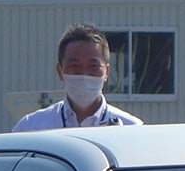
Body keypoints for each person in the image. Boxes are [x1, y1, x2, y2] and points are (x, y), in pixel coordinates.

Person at [14, 25, 143, 131]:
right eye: (74, 65)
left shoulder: (131, 129)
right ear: (60, 71)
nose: (84, 73)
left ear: (107, 72)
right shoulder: (30, 127)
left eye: (93, 66)